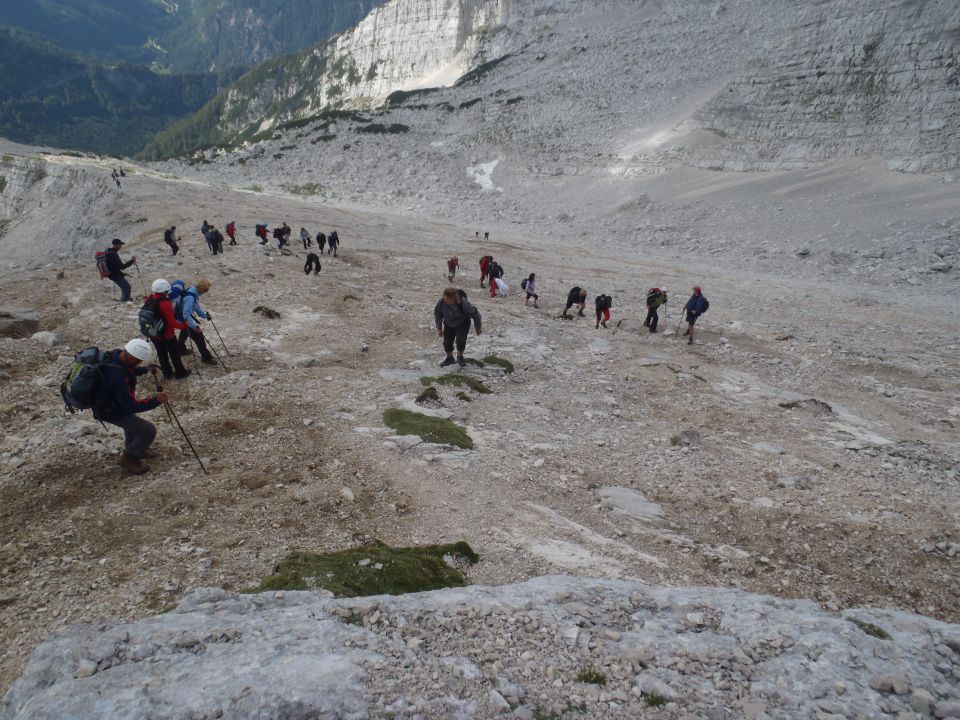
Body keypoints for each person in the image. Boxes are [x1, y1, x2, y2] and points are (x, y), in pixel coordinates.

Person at [94, 338, 168, 474]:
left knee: (133, 426)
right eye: (139, 361)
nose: (139, 363)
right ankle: (129, 458)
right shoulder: (117, 376)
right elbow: (130, 406)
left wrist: (144, 369)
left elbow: (128, 370)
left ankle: (134, 448)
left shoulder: (116, 357)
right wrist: (156, 400)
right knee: (148, 430)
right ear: (132, 357)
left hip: (110, 403)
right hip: (110, 410)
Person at [145, 279, 190, 379]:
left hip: (153, 333)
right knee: (174, 355)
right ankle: (180, 373)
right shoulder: (165, 304)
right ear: (165, 291)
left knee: (162, 354)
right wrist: (184, 325)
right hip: (167, 334)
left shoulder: (149, 299)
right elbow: (172, 322)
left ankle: (167, 374)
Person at [434, 287, 482, 368]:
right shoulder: (442, 302)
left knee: (461, 340)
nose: (445, 300)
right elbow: (438, 313)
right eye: (444, 298)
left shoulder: (464, 304)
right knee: (447, 342)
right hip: (448, 323)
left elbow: (476, 314)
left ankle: (460, 357)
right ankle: (450, 358)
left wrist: (478, 328)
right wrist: (439, 328)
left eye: (447, 299)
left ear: (454, 298)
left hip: (463, 323)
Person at [174, 278, 216, 365]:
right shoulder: (190, 297)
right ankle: (206, 357)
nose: (206, 291)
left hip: (183, 316)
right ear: (200, 287)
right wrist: (195, 327)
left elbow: (196, 308)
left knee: (185, 331)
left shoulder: (193, 292)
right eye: (206, 289)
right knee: (199, 337)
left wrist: (205, 315)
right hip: (184, 317)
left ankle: (180, 349)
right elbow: (186, 315)